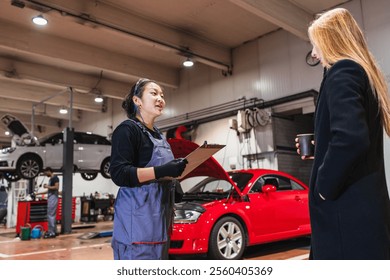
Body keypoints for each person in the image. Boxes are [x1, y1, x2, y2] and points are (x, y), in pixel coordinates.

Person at [296, 7, 390, 259]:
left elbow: (351, 138)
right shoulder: (361, 73)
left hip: (345, 215)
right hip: (363, 211)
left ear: (331, 41)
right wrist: (321, 147)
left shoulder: (343, 72)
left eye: (316, 45)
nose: (314, 53)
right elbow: (353, 134)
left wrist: (323, 187)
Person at [110, 78, 188, 260]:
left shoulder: (159, 135)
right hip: (136, 226)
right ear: (137, 101)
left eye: (162, 95)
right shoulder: (127, 130)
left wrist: (174, 184)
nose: (160, 98)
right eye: (154, 93)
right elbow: (119, 173)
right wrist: (162, 171)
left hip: (159, 224)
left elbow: (161, 172)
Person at [42, 167, 59, 238]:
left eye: (46, 173)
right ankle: (54, 231)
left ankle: (51, 233)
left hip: (53, 197)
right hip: (51, 197)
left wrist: (47, 186)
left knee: (50, 215)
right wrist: (37, 193)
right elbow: (49, 190)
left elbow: (56, 187)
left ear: (49, 171)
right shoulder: (51, 179)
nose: (46, 174)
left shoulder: (55, 178)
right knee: (52, 215)